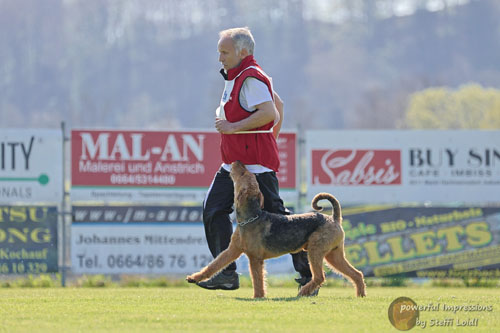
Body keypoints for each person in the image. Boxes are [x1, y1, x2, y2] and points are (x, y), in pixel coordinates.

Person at [198, 27, 315, 294]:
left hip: (256, 165)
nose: (220, 58)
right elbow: (280, 106)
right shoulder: (238, 75)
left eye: (224, 52)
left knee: (281, 220)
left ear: (243, 52)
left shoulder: (250, 78)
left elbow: (270, 112)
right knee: (213, 209)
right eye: (219, 52)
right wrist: (267, 138)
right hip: (234, 164)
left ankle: (309, 276)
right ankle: (226, 274)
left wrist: (233, 127)